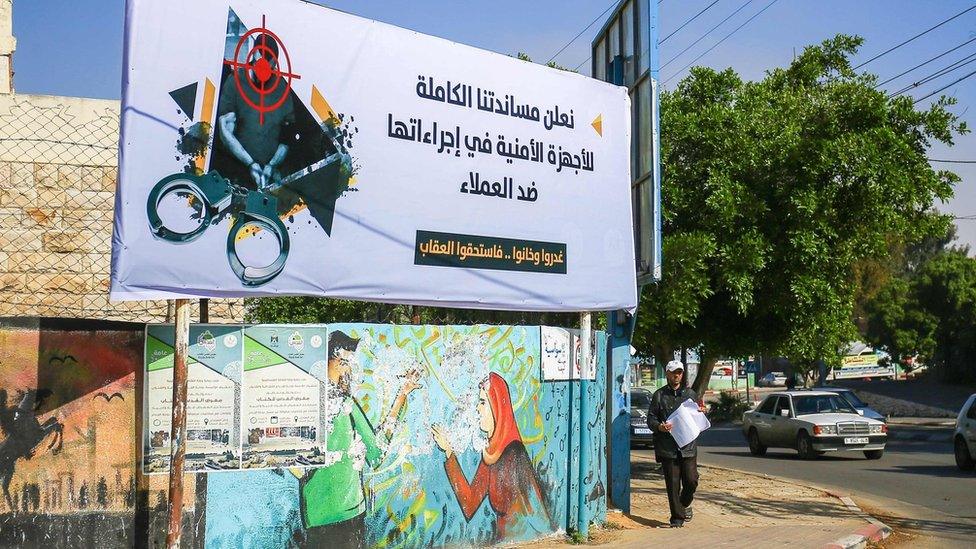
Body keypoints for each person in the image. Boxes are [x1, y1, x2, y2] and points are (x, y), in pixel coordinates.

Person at [299, 332, 421, 549]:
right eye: (342, 362)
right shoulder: (307, 404)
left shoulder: (346, 405)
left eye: (349, 364)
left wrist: (402, 394)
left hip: (345, 514)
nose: (346, 371)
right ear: (323, 362)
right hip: (326, 514)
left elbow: (375, 453)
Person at [431, 372, 550, 541]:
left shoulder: (514, 453)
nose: (478, 409)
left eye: (482, 402)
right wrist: (449, 451)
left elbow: (536, 517)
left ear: (496, 406)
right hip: (504, 540)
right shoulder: (491, 454)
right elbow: (469, 502)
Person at [216, 32, 296, 189]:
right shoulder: (235, 82)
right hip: (236, 177)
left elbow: (287, 138)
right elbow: (225, 132)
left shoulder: (282, 89)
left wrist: (272, 165)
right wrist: (250, 163)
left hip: (270, 177)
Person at [646, 360, 707, 528]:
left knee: (691, 480)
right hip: (668, 448)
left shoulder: (690, 394)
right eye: (674, 372)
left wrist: (702, 411)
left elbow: (699, 415)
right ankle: (677, 518)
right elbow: (650, 418)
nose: (677, 375)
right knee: (673, 484)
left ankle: (683, 504)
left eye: (679, 372)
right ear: (667, 373)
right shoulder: (659, 395)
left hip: (687, 447)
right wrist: (660, 426)